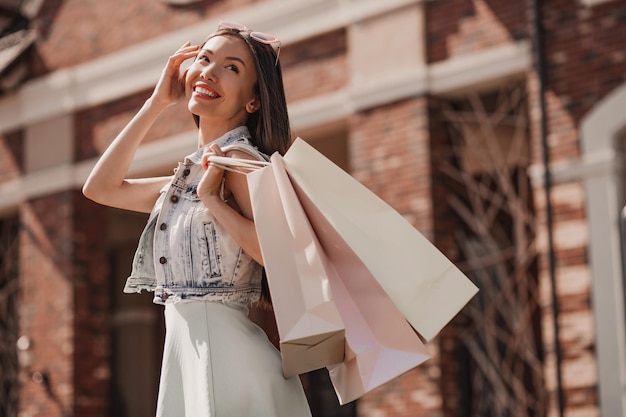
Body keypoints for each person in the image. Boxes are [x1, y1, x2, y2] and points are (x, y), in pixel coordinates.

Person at [83, 21, 312, 417]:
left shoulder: (239, 161)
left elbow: (279, 254)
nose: (209, 71)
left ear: (253, 101)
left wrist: (214, 200)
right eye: (204, 59)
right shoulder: (191, 173)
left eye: (231, 67)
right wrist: (157, 101)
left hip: (227, 359)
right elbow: (100, 188)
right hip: (188, 356)